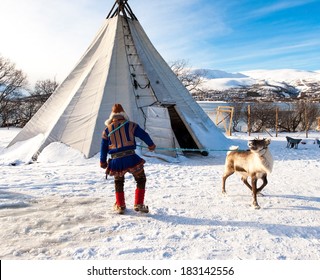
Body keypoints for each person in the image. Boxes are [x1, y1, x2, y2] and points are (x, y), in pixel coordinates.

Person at [100, 104, 156, 214]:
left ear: (112, 117)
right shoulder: (131, 125)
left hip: (116, 160)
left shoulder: (107, 130)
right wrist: (151, 145)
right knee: (140, 179)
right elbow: (143, 135)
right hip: (131, 158)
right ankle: (139, 203)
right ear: (124, 114)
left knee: (118, 181)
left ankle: (120, 205)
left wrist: (102, 161)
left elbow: (103, 147)